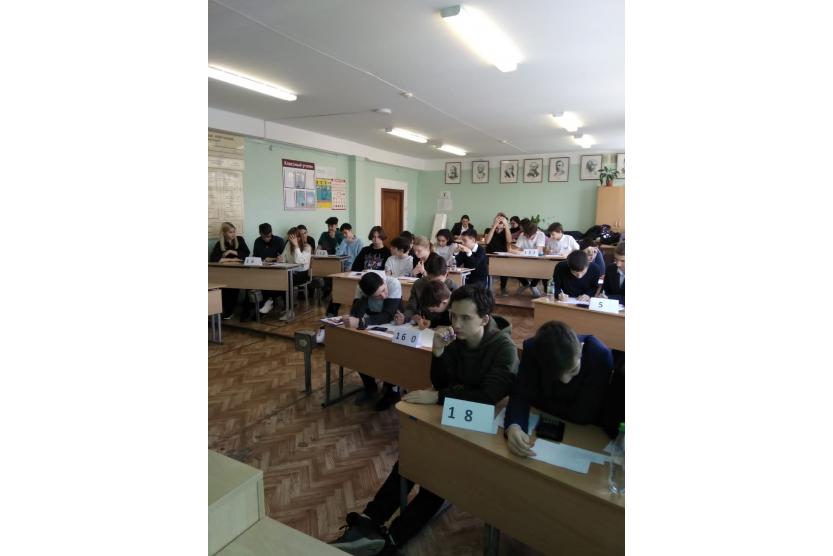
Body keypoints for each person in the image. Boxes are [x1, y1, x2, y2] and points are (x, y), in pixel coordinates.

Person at [331, 285, 518, 556]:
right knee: (412, 458)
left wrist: (439, 397)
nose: (456, 324)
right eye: (453, 316)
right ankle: (370, 520)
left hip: (481, 428)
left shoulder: (504, 349)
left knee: (437, 478)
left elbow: (488, 397)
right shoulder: (454, 336)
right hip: (451, 414)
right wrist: (438, 353)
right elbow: (440, 381)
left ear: (484, 319)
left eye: (465, 318)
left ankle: (393, 538)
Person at [504, 321, 614, 457]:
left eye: (573, 370)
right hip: (543, 430)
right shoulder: (534, 349)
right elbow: (521, 394)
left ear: (580, 349)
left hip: (583, 435)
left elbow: (583, 415)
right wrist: (514, 426)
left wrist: (537, 400)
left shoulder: (599, 356)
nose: (565, 380)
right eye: (555, 374)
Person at [343, 272, 403, 410]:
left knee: (389, 356)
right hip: (372, 325)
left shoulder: (393, 283)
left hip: (393, 324)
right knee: (359, 350)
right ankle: (370, 387)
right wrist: (364, 300)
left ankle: (392, 392)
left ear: (383, 281)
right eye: (377, 296)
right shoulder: (362, 288)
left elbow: (388, 315)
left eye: (383, 290)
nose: (383, 296)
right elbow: (356, 313)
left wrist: (362, 322)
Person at [396, 253, 456, 327]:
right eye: (429, 279)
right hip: (423, 325)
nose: (433, 284)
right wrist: (404, 317)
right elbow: (411, 307)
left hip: (443, 325)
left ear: (446, 274)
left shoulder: (453, 288)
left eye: (439, 280)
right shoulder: (418, 284)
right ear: (426, 273)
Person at [209, 222, 250, 319]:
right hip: (225, 273)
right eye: (230, 232)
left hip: (240, 272)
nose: (233, 234)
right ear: (224, 233)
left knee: (235, 288)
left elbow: (246, 254)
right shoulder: (220, 243)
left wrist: (231, 252)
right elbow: (214, 258)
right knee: (225, 289)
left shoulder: (240, 239)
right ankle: (226, 311)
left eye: (234, 232)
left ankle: (231, 312)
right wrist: (233, 259)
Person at [251, 223, 286, 316]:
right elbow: (255, 256)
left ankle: (270, 301)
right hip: (262, 268)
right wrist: (260, 261)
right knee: (258, 280)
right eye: (264, 237)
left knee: (277, 280)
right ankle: (265, 303)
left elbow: (284, 257)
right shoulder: (257, 241)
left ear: (271, 233)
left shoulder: (278, 240)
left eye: (269, 236)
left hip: (278, 269)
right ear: (260, 233)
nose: (267, 239)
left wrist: (273, 259)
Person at [512, 220, 547, 297]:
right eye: (524, 234)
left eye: (527, 235)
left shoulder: (541, 234)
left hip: (538, 261)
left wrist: (521, 251)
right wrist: (512, 250)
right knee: (512, 268)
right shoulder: (522, 234)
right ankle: (526, 284)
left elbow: (538, 250)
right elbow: (516, 249)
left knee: (542, 270)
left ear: (534, 233)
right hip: (524, 260)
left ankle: (533, 285)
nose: (525, 236)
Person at [484, 212, 512, 296]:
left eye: (501, 222)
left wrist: (506, 226)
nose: (499, 223)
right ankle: (487, 288)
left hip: (502, 255)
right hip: (490, 255)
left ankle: (503, 287)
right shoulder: (489, 230)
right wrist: (494, 226)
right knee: (486, 268)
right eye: (498, 221)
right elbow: (487, 241)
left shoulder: (506, 231)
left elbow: (509, 241)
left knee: (505, 269)